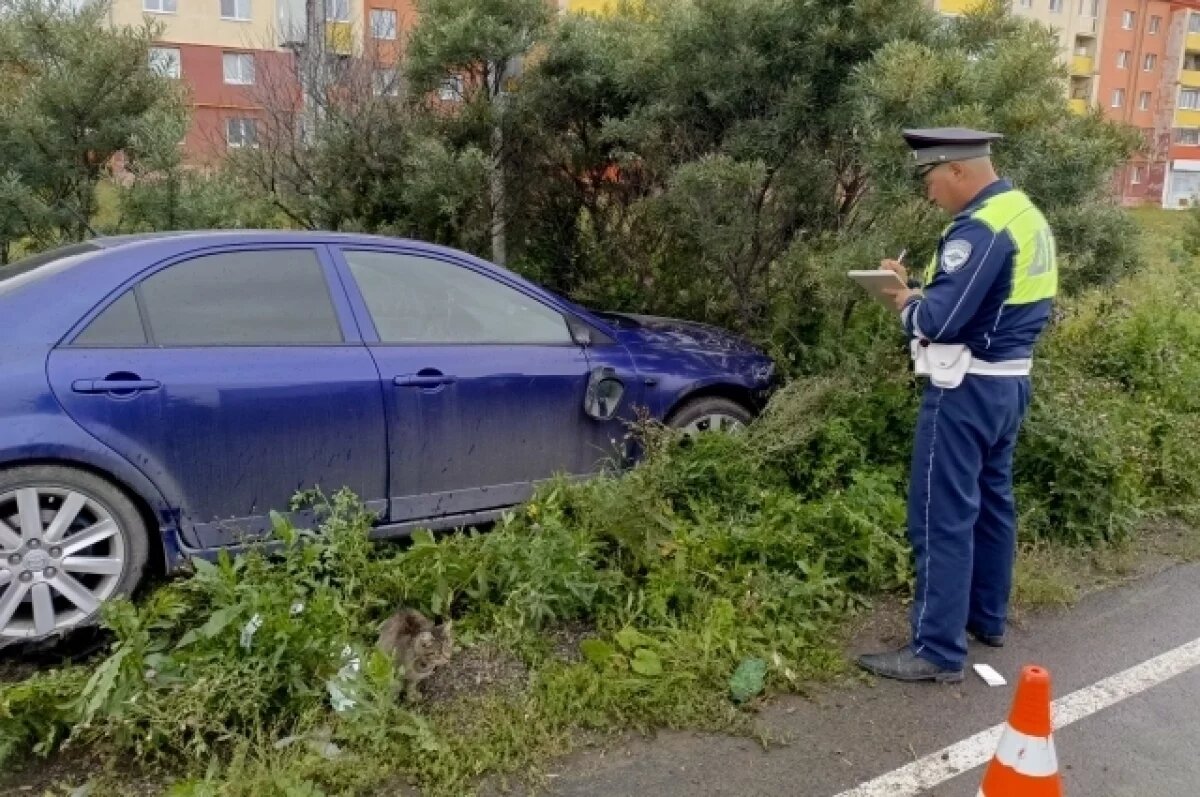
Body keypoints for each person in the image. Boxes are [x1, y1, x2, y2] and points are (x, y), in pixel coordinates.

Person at [855, 127, 1058, 683]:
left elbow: (937, 322)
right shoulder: (1023, 213)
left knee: (940, 515)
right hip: (1009, 384)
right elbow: (986, 304)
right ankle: (986, 618)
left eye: (930, 178)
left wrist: (903, 300)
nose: (929, 191)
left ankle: (936, 650)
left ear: (957, 170)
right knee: (993, 504)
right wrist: (915, 289)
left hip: (964, 391)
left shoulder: (980, 228)